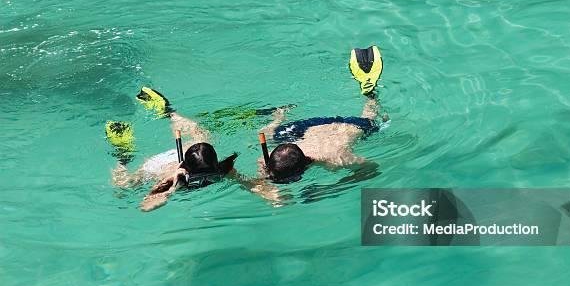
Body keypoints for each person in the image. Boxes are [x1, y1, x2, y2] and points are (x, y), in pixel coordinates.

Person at [243, 46, 386, 201]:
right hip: (304, 129)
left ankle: (370, 92)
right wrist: (268, 189)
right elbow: (260, 172)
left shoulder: (335, 158)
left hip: (347, 126)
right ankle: (278, 116)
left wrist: (329, 189)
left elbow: (371, 169)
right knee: (275, 135)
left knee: (372, 119)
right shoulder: (269, 159)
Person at [106, 87, 239, 211]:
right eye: (196, 179)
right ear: (186, 172)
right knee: (122, 188)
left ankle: (169, 112)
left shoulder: (222, 169)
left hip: (188, 154)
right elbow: (145, 207)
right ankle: (123, 155)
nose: (205, 182)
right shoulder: (172, 178)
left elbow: (253, 185)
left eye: (212, 177)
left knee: (201, 134)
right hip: (158, 166)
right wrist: (171, 188)